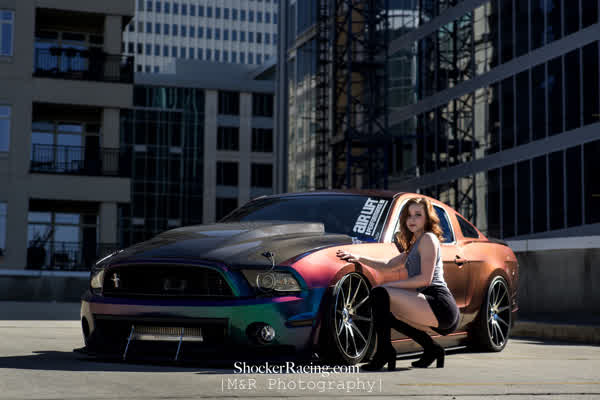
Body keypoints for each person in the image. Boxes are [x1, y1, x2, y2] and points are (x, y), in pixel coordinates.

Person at [336, 196, 460, 371]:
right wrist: (358, 258)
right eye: (409, 215)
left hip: (439, 304)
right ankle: (431, 348)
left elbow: (425, 279)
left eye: (418, 215)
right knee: (385, 308)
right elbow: (388, 265)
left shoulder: (428, 239)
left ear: (427, 218)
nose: (412, 219)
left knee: (380, 294)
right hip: (425, 302)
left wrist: (389, 287)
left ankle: (384, 352)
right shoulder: (415, 244)